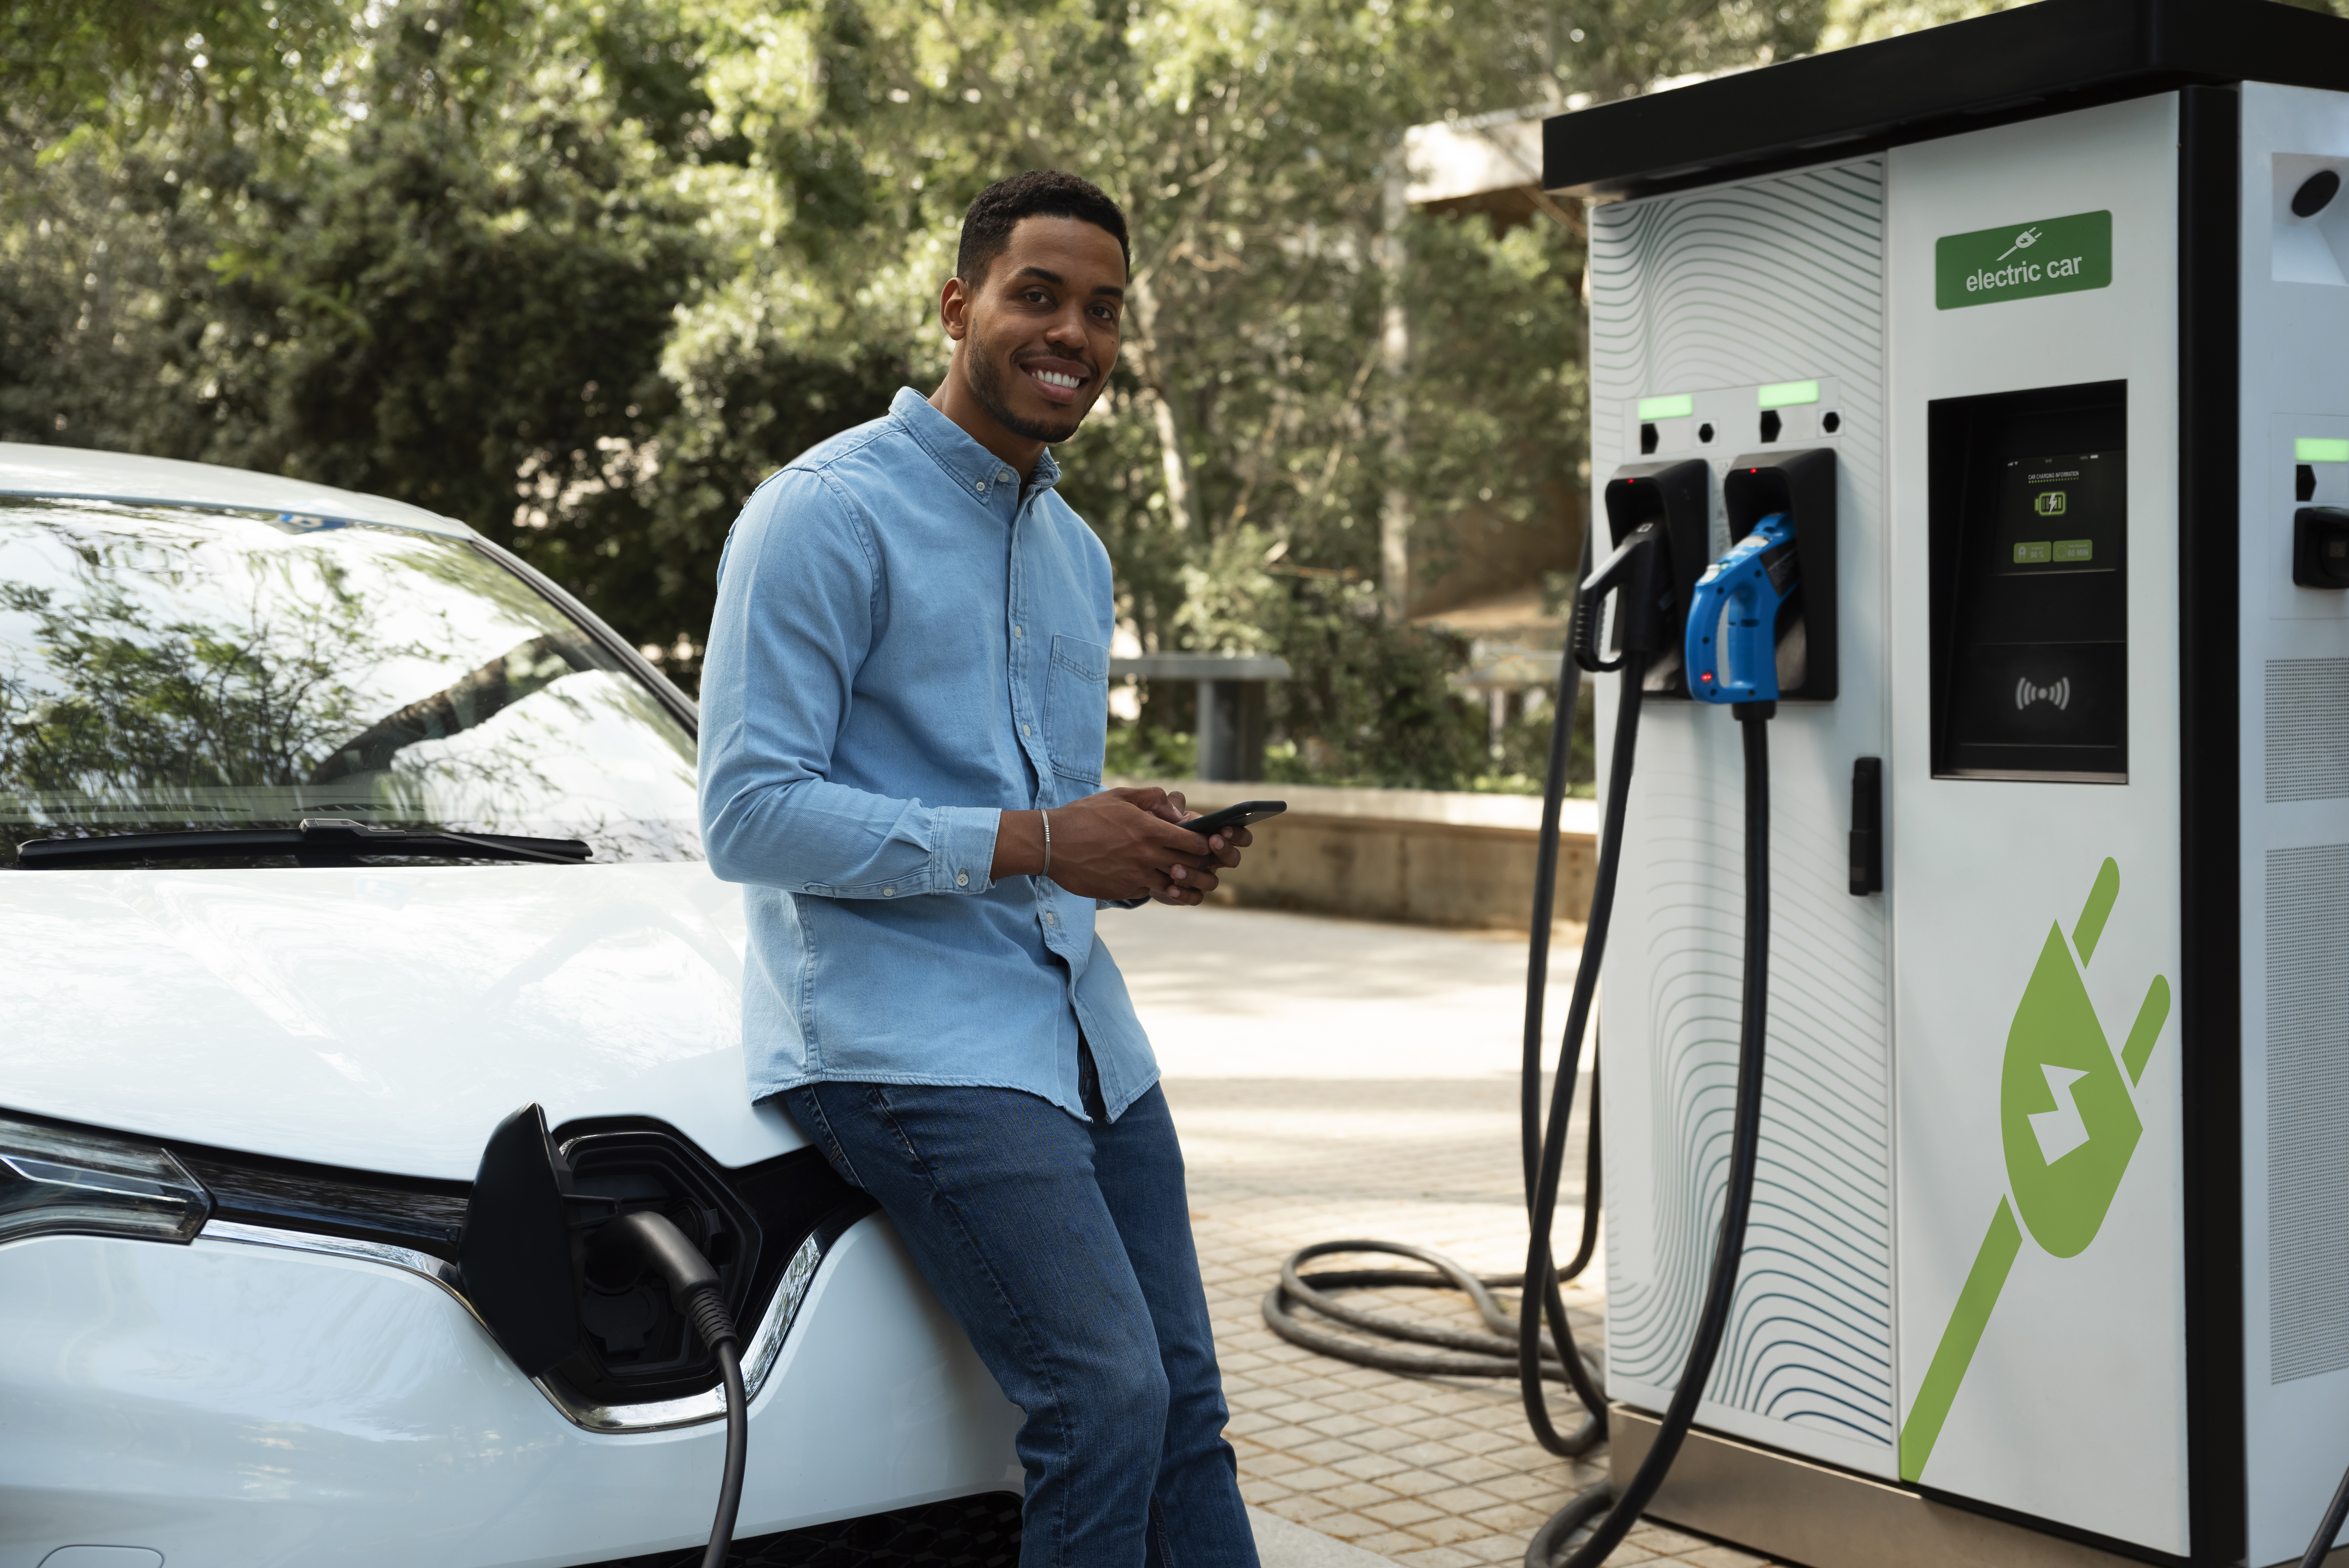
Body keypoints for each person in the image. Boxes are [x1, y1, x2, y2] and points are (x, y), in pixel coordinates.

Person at [698, 169, 1263, 1568]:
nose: (1073, 331)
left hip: (1081, 1039)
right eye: (1039, 294)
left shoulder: (1077, 553)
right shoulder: (822, 513)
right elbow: (750, 816)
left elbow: (1037, 826)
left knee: (1185, 1409)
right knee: (1105, 1396)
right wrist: (1047, 840)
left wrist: (1127, 852)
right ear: (960, 307)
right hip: (904, 1039)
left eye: (1103, 309)